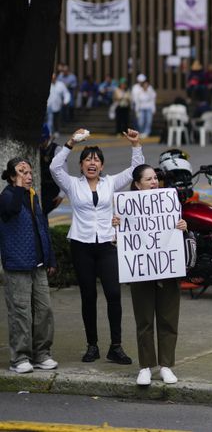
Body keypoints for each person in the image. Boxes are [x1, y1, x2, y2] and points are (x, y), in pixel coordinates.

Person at [49, 128, 143, 364]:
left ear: (102, 166)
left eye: (97, 160)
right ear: (81, 166)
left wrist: (136, 145)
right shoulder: (72, 184)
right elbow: (54, 168)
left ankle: (116, 346)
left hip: (107, 246)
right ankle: (92, 345)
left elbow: (134, 171)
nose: (92, 163)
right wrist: (70, 143)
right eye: (88, 160)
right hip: (81, 245)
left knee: (113, 294)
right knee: (88, 296)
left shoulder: (110, 183)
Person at [113, 164, 187, 387]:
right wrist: (116, 228)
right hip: (142, 271)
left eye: (155, 178)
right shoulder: (125, 209)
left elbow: (176, 235)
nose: (154, 182)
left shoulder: (170, 202)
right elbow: (120, 242)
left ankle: (166, 366)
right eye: (148, 179)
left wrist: (182, 226)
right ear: (137, 184)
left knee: (168, 319)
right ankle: (146, 366)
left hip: (168, 269)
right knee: (144, 320)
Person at [0, 157, 58, 374]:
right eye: (22, 172)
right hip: (17, 266)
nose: (28, 176)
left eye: (30, 172)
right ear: (12, 177)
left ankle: (42, 354)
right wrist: (16, 187)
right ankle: (20, 357)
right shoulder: (7, 197)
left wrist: (50, 258)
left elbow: (42, 228)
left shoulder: (33, 196)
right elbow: (12, 210)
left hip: (38, 263)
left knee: (44, 311)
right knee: (21, 313)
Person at [46, 73, 70, 137]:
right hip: (49, 105)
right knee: (49, 119)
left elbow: (66, 93)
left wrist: (66, 101)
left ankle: (56, 131)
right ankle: (49, 131)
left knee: (56, 119)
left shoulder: (60, 85)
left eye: (54, 78)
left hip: (57, 105)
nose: (53, 79)